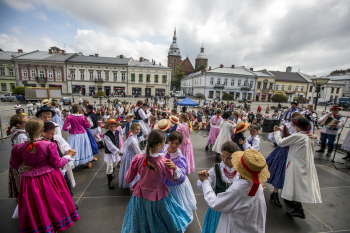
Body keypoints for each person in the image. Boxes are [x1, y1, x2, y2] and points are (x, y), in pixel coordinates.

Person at [10, 118, 79, 232]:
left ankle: (40, 224)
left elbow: (14, 164)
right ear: (41, 130)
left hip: (29, 181)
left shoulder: (18, 147)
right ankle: (55, 223)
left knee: (36, 204)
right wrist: (68, 156)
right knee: (52, 202)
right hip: (49, 178)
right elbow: (57, 163)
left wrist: (25, 165)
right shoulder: (48, 145)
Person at [121, 130, 191, 233]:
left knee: (141, 219)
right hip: (158, 198)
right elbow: (173, 178)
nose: (165, 144)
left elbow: (127, 179)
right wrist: (174, 168)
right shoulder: (164, 162)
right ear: (159, 145)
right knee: (160, 219)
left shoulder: (138, 158)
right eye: (164, 142)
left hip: (139, 197)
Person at [198, 148, 269, 233]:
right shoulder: (257, 186)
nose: (225, 160)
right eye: (223, 156)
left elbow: (215, 203)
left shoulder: (239, 188)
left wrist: (205, 181)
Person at [273, 117, 321, 218]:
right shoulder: (309, 136)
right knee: (297, 185)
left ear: (298, 128)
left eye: (295, 126)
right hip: (305, 165)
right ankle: (297, 207)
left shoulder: (298, 136)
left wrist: (276, 132)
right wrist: (316, 137)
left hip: (297, 165)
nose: (294, 127)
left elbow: (281, 142)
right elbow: (316, 142)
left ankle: (299, 209)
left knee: (294, 184)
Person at [197, 141, 241, 232]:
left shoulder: (241, 171)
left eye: (229, 158)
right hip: (218, 209)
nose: (225, 160)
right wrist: (205, 179)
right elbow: (204, 184)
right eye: (223, 156)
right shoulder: (216, 169)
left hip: (234, 209)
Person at [266, 112, 302, 207]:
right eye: (296, 119)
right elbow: (276, 138)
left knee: (290, 175)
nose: (297, 122)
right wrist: (276, 132)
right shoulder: (286, 126)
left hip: (294, 154)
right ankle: (275, 193)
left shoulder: (300, 128)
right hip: (283, 152)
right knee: (280, 171)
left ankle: (287, 195)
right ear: (292, 119)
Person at [41, 121, 78, 209]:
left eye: (54, 132)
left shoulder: (57, 138)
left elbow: (65, 146)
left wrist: (68, 151)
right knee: (55, 188)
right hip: (51, 169)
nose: (53, 134)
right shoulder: (41, 142)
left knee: (66, 183)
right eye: (50, 133)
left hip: (61, 166)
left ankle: (69, 201)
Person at [163, 131, 197, 222]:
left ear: (180, 144)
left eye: (176, 143)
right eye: (171, 142)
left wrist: (174, 167)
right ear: (168, 141)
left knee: (177, 204)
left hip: (175, 185)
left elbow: (181, 177)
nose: (173, 145)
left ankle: (177, 221)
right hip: (162, 183)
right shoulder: (162, 150)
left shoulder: (180, 158)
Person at [62, 104, 94, 168]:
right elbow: (88, 126)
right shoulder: (83, 117)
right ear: (79, 109)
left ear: (72, 109)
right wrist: (88, 121)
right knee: (84, 147)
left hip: (73, 134)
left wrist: (69, 128)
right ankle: (87, 162)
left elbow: (64, 128)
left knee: (74, 147)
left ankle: (72, 162)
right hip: (83, 134)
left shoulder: (69, 117)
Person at [7, 114, 29, 199]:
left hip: (17, 160)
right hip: (20, 162)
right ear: (18, 124)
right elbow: (22, 150)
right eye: (25, 122)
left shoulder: (19, 133)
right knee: (22, 182)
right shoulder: (21, 135)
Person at [119, 122, 142, 194]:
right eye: (136, 129)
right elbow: (137, 151)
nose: (138, 131)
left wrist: (122, 151)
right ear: (131, 129)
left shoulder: (131, 136)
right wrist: (143, 156)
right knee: (132, 171)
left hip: (127, 155)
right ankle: (132, 187)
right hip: (131, 157)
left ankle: (128, 184)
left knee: (127, 170)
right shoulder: (133, 140)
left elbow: (125, 144)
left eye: (139, 129)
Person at [103, 118, 123, 189]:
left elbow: (119, 140)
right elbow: (110, 145)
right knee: (109, 166)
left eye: (114, 126)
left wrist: (120, 149)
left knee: (114, 164)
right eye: (111, 126)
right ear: (108, 127)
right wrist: (118, 151)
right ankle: (110, 181)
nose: (112, 128)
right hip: (109, 153)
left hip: (116, 152)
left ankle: (112, 173)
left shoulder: (117, 132)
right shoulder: (106, 135)